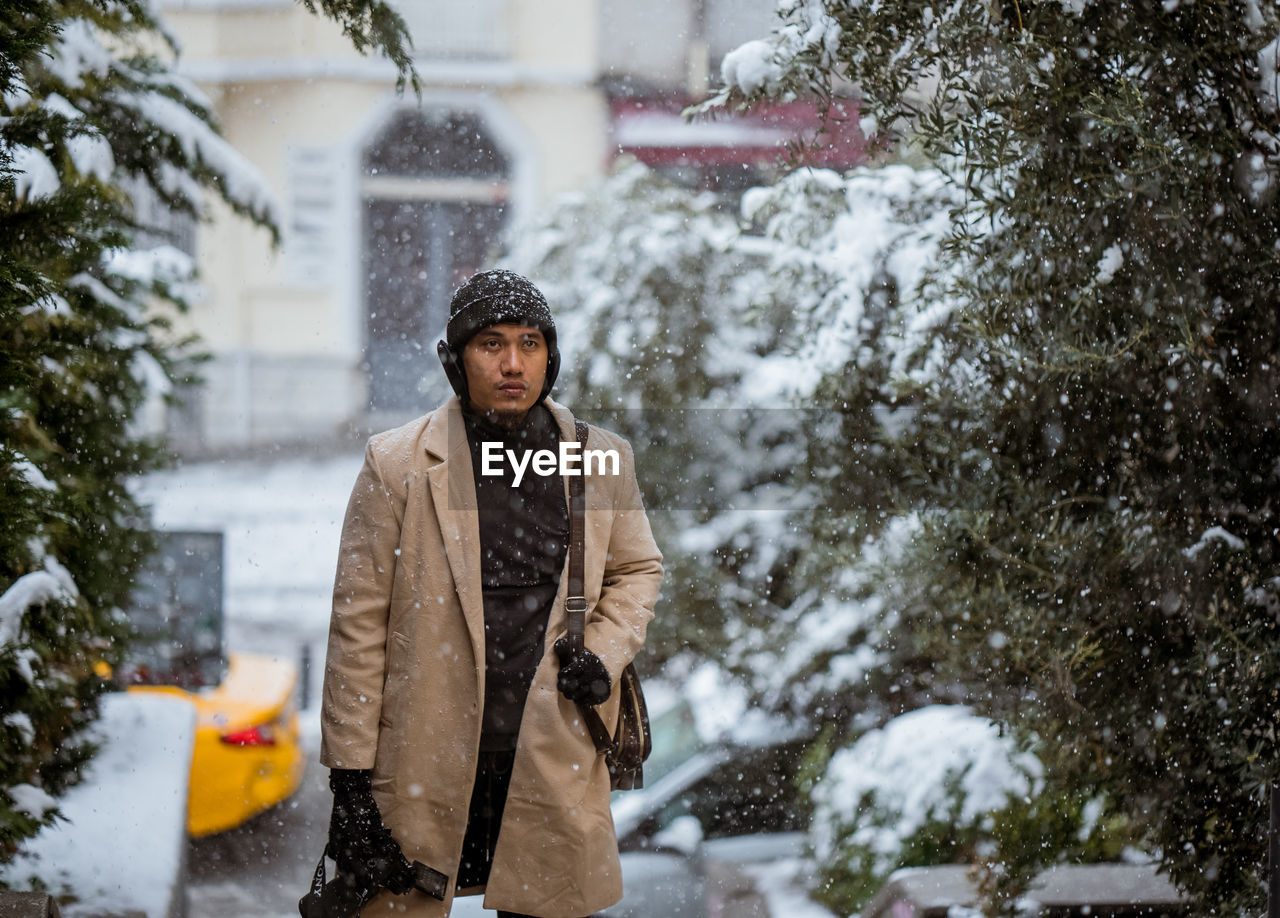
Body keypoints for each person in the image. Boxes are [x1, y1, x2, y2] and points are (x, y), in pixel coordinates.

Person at [319, 269, 664, 917]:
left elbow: (637, 570)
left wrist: (605, 653)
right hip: (426, 751)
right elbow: (357, 625)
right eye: (492, 344)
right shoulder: (396, 465)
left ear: (550, 357)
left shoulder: (598, 457)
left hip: (548, 747)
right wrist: (350, 779)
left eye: (531, 343)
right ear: (456, 359)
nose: (513, 363)